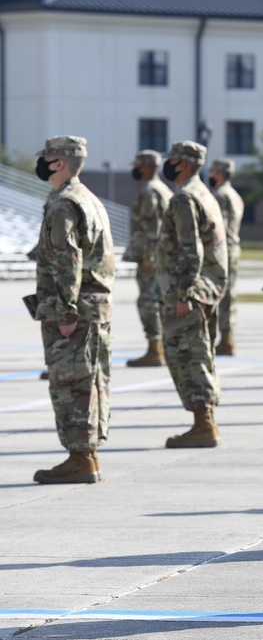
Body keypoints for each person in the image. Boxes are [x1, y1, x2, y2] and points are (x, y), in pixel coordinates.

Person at [32, 135, 114, 484]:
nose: (42, 163)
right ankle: (87, 455)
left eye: (46, 158)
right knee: (90, 381)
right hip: (94, 307)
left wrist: (65, 312)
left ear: (59, 163)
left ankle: (81, 457)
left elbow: (68, 260)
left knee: (71, 383)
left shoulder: (65, 203)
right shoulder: (88, 198)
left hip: (74, 310)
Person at [157, 141, 228, 448]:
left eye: (172, 159)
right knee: (200, 353)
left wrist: (184, 293)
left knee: (188, 356)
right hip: (207, 288)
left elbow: (190, 249)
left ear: (182, 164)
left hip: (190, 292)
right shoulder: (203, 194)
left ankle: (204, 425)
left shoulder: (185, 198)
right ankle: (205, 420)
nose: (168, 163)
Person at [122, 150, 171, 367]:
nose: (136, 169)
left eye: (139, 165)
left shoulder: (149, 190)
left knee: (148, 303)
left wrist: (151, 259)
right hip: (159, 256)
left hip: (150, 257)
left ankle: (155, 349)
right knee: (158, 301)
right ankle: (161, 347)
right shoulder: (163, 189)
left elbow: (153, 228)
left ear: (147, 167)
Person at [209, 158, 245, 356]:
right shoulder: (234, 194)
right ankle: (227, 337)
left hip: (223, 250)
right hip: (233, 248)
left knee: (222, 295)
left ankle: (226, 338)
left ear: (220, 173)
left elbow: (216, 227)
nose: (211, 174)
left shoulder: (221, 195)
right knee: (228, 293)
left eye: (213, 171)